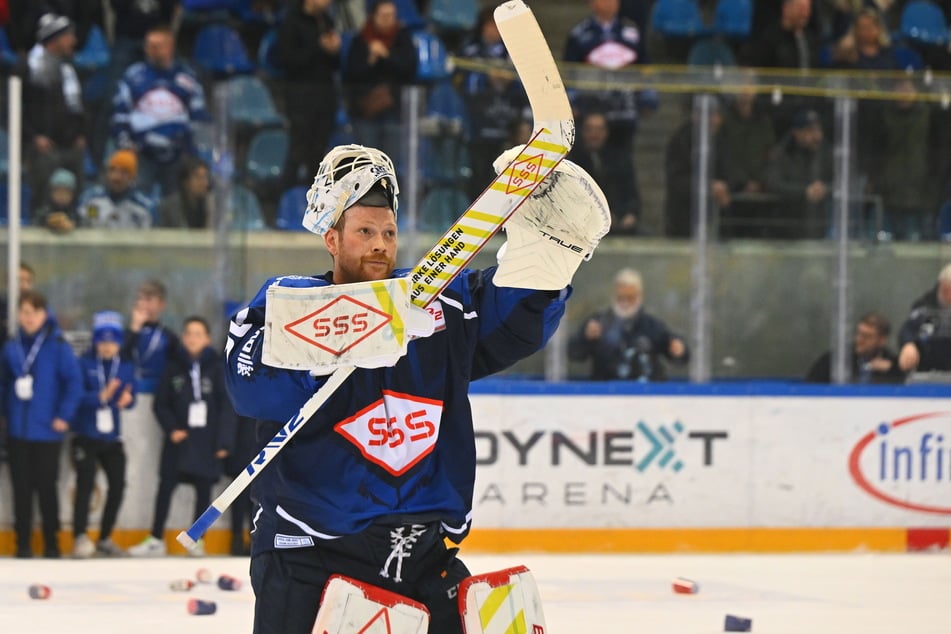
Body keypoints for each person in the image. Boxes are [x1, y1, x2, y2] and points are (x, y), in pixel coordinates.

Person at [222, 143, 608, 633]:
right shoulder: (287, 307)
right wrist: (350, 329)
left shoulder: (435, 306)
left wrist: (544, 257)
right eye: (364, 231)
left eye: (387, 231)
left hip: (423, 557)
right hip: (310, 558)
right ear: (332, 240)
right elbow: (250, 387)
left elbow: (512, 321)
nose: (380, 243)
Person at [129, 316, 235, 557]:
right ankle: (156, 537)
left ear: (207, 339)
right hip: (179, 440)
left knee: (204, 491)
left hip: (206, 442)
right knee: (165, 487)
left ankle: (198, 540)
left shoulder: (217, 368)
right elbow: (160, 404)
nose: (192, 338)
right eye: (188, 333)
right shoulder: (173, 367)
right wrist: (172, 428)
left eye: (198, 334)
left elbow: (226, 407)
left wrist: (224, 441)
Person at [0, 289, 83, 558]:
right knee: (21, 491)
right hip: (18, 430)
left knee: (47, 489)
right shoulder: (11, 347)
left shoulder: (58, 346)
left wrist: (63, 416)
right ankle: (22, 545)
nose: (28, 318)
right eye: (24, 312)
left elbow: (74, 384)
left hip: (48, 431)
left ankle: (52, 544)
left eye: (33, 312)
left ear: (44, 315)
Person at [111, 24, 210, 199]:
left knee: (175, 203)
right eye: (148, 45)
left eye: (157, 45)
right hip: (142, 152)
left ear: (170, 46)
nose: (151, 50)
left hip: (178, 154)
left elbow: (198, 117)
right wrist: (126, 144)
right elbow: (120, 113)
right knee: (139, 197)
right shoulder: (133, 76)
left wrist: (194, 152)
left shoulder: (186, 77)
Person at [71, 310, 137, 558]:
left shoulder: (125, 367)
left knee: (118, 486)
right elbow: (75, 397)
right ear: (96, 341)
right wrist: (101, 397)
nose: (108, 347)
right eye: (103, 341)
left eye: (112, 341)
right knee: (85, 485)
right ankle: (80, 536)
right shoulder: (83, 364)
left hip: (112, 438)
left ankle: (105, 537)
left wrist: (127, 400)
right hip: (86, 435)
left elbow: (131, 397)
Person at [563, 0, 658, 152]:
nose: (610, 4)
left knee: (621, 156)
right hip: (591, 109)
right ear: (592, 3)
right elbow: (568, 72)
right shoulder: (579, 34)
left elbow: (645, 66)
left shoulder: (631, 31)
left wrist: (649, 96)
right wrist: (572, 103)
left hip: (624, 109)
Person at [568, 268, 689, 381]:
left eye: (630, 297)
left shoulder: (651, 325)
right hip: (606, 393)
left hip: (646, 394)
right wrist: (585, 338)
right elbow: (574, 354)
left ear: (639, 296)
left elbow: (678, 355)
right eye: (621, 297)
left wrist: (678, 349)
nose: (625, 302)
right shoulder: (598, 322)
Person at [21, 13, 85, 209]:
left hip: (70, 146)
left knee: (76, 197)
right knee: (43, 200)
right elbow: (12, 109)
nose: (73, 41)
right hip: (43, 148)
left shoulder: (69, 67)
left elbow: (79, 106)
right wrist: (33, 137)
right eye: (69, 36)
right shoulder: (27, 67)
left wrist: (81, 133)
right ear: (54, 39)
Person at [343, 0, 418, 165]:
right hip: (365, 111)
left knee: (389, 162)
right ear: (373, 17)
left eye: (391, 16)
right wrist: (370, 59)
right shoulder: (361, 40)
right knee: (367, 162)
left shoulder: (402, 39)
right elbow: (351, 74)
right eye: (384, 16)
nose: (388, 19)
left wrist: (386, 56)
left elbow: (409, 69)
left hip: (394, 110)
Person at [277, 0, 341, 188]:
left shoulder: (327, 21)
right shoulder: (291, 22)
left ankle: (316, 205)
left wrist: (334, 51)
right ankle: (284, 199)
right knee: (298, 152)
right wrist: (318, 47)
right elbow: (289, 61)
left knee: (319, 155)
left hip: (325, 97)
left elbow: (335, 65)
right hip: (301, 99)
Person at [765, 108, 834, 239]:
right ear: (797, 133)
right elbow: (773, 183)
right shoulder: (782, 154)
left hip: (816, 229)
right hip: (784, 230)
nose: (816, 135)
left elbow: (843, 181)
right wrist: (804, 192)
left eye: (818, 130)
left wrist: (825, 189)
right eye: (810, 130)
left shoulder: (826, 154)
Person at [569, 110, 640, 235]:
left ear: (606, 132)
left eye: (599, 129)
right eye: (589, 129)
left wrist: (628, 213)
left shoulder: (619, 158)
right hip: (582, 226)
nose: (594, 134)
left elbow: (630, 192)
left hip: (618, 222)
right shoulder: (572, 161)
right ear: (582, 132)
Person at [805, 311, 905, 383]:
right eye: (858, 334)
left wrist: (891, 369)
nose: (859, 340)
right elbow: (810, 387)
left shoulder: (892, 363)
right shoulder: (835, 360)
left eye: (867, 336)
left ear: (882, 340)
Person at [120, 279, 179, 395]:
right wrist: (135, 328)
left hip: (158, 395)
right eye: (140, 299)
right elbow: (120, 357)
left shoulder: (169, 337)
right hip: (129, 395)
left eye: (148, 300)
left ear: (161, 305)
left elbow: (177, 370)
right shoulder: (127, 334)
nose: (143, 304)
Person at [77, 149, 155, 228]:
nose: (116, 177)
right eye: (112, 170)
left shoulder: (143, 206)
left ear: (133, 177)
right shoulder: (92, 199)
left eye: (124, 172)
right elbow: (85, 226)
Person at [898, 263, 951, 373]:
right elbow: (908, 329)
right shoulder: (925, 306)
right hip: (928, 367)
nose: (948, 296)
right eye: (946, 290)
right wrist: (909, 344)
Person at [157, 157, 212, 228]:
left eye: (205, 177)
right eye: (198, 177)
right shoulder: (169, 207)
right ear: (185, 181)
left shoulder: (211, 204)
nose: (204, 183)